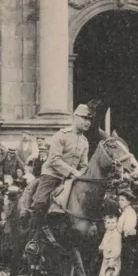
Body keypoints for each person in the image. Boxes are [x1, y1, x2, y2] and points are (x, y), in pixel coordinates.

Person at [26, 104, 92, 247]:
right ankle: (34, 239)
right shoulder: (61, 135)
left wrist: (80, 174)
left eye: (89, 120)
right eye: (84, 118)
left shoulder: (85, 142)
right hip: (52, 175)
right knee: (40, 203)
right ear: (75, 117)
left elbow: (84, 164)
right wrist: (74, 172)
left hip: (71, 179)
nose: (87, 122)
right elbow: (54, 159)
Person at [96, 211, 122, 276]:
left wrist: (112, 259)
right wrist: (100, 248)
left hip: (113, 260)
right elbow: (103, 244)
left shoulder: (116, 235)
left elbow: (117, 249)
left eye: (113, 223)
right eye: (108, 223)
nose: (110, 225)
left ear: (116, 223)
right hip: (106, 258)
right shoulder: (107, 233)